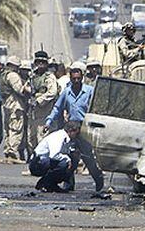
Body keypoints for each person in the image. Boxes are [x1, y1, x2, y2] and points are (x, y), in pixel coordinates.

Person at [45, 61, 104, 192]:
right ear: (70, 78)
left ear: (82, 78)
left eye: (78, 78)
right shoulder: (66, 92)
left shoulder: (89, 91)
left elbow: (96, 107)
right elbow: (57, 108)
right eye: (73, 79)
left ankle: (99, 181)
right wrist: (49, 121)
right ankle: (68, 183)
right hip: (71, 127)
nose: (76, 81)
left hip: (84, 127)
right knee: (70, 157)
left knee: (88, 157)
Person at [30, 121, 81, 193]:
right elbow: (54, 155)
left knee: (72, 161)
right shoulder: (58, 137)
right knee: (63, 164)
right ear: (70, 131)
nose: (77, 135)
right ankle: (44, 183)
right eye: (76, 133)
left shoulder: (67, 139)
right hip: (38, 163)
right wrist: (68, 159)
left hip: (46, 161)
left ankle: (51, 184)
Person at [28, 51, 58, 155]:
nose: (40, 64)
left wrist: (39, 100)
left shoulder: (49, 77)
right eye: (38, 62)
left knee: (42, 139)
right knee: (31, 140)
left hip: (44, 112)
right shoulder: (33, 76)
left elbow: (52, 92)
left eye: (42, 62)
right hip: (33, 113)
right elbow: (28, 87)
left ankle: (41, 164)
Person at [0, 56, 25, 164]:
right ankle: (12, 153)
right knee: (16, 128)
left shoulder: (3, 75)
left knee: (8, 129)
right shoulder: (13, 75)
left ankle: (8, 151)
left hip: (7, 104)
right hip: (15, 104)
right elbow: (20, 90)